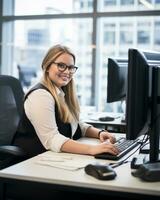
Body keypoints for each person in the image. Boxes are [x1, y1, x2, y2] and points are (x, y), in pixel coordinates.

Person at [13, 44, 119, 158]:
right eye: (61, 65)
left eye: (71, 67)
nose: (67, 71)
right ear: (47, 66)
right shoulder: (40, 95)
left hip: (53, 157)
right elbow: (52, 139)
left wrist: (100, 133)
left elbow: (77, 126)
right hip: (31, 161)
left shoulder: (62, 93)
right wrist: (92, 149)